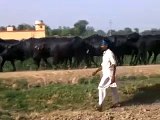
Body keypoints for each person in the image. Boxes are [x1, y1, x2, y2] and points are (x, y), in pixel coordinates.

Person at [92, 39, 120, 112]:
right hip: (107, 73)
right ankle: (116, 102)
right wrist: (96, 71)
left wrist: (113, 76)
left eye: (102, 45)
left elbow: (114, 64)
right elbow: (104, 65)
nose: (101, 46)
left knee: (101, 87)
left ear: (106, 45)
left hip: (109, 75)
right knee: (113, 88)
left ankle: (100, 105)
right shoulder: (105, 53)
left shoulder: (110, 53)